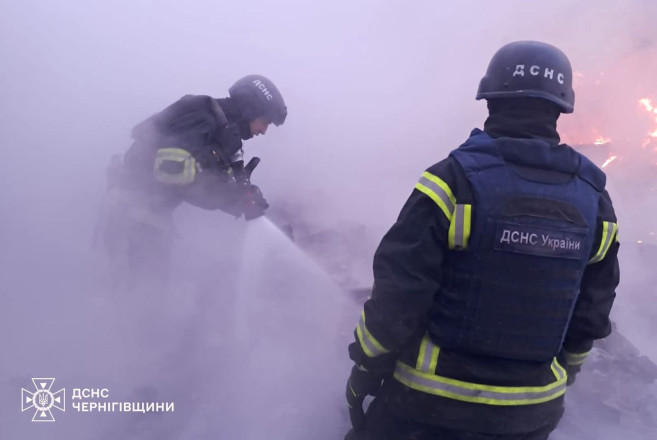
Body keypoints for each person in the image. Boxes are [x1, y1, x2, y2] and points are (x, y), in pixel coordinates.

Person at [344, 41, 620, 440]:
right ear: (560, 109)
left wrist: (366, 364)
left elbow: (400, 293)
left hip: (428, 405)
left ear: (490, 100)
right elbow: (592, 310)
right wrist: (564, 371)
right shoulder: (595, 199)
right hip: (530, 414)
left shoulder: (451, 181)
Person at [98, 74, 287, 289]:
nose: (263, 131)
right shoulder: (203, 117)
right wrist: (232, 195)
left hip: (146, 220)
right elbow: (172, 172)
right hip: (133, 219)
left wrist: (240, 198)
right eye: (265, 122)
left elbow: (202, 182)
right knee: (137, 295)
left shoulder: (221, 132)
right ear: (250, 110)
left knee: (147, 294)